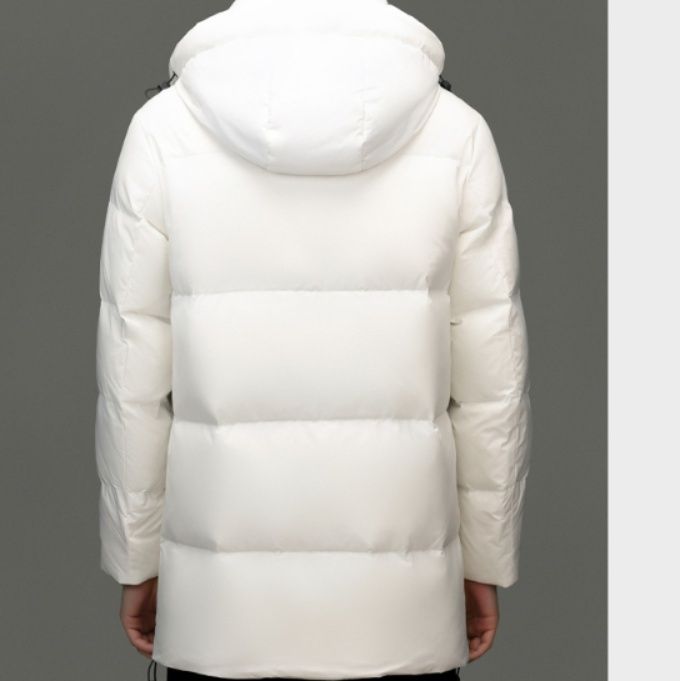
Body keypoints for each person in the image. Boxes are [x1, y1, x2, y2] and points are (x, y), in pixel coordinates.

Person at [94, 0, 533, 679]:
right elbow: (491, 385)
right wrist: (485, 558)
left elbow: (132, 379)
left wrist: (137, 558)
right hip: (399, 614)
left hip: (222, 615)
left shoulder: (163, 131)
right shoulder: (456, 134)